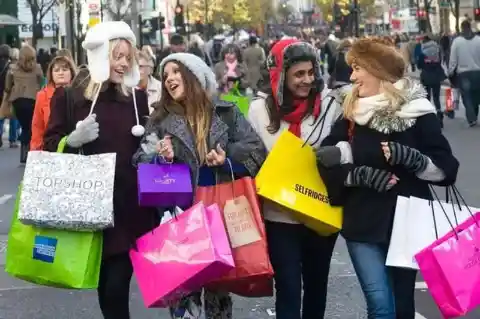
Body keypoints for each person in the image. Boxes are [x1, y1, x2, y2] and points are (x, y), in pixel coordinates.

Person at [316, 38, 459, 319]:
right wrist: (358, 175)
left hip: (406, 225)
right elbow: (325, 160)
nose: (353, 76)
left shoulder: (418, 112)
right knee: (380, 304)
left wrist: (415, 160)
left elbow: (447, 170)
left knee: (403, 303)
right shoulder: (350, 113)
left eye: (358, 69)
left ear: (379, 70)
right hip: (362, 223)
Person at [133, 52, 266, 319]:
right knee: (185, 305)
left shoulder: (226, 112)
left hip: (220, 216)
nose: (169, 78)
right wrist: (160, 157)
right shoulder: (159, 121)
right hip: (180, 222)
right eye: (166, 74)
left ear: (194, 75)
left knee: (218, 301)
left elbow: (256, 151)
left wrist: (226, 157)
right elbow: (139, 160)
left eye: (175, 71)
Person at [43, 21, 158, 319]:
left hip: (130, 209)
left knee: (117, 287)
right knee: (106, 287)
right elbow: (50, 145)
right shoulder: (70, 98)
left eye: (127, 57)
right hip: (91, 206)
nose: (123, 63)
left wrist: (154, 146)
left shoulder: (136, 98)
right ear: (99, 56)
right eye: (116, 55)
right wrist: (73, 139)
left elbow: (145, 147)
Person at [247, 39, 342, 319]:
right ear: (279, 75)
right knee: (288, 288)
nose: (307, 81)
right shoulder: (259, 110)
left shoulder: (330, 106)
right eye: (299, 74)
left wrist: (333, 153)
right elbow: (253, 159)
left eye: (311, 73)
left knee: (316, 286)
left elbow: (345, 146)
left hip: (320, 212)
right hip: (280, 216)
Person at [3, 44, 43, 162]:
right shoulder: (38, 68)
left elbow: (7, 86)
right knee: (30, 126)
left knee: (25, 126)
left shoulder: (12, 68)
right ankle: (29, 151)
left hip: (17, 101)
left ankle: (24, 152)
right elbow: (41, 82)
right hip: (33, 100)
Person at [30, 55, 76, 151]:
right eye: (56, 70)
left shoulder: (79, 93)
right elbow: (37, 127)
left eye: (64, 69)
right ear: (51, 74)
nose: (61, 73)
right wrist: (36, 152)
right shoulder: (42, 96)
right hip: (50, 149)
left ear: (71, 72)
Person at [448, 19, 480, 127]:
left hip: (463, 73)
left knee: (467, 96)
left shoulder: (457, 42)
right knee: (476, 95)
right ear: (470, 27)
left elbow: (453, 59)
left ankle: (471, 118)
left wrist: (450, 71)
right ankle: (474, 114)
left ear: (462, 28)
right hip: (477, 72)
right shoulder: (478, 40)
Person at [417, 34, 446, 128]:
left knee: (427, 97)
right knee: (436, 97)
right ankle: (439, 113)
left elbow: (419, 65)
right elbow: (440, 61)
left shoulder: (422, 52)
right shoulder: (437, 50)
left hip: (426, 77)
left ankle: (429, 118)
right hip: (436, 76)